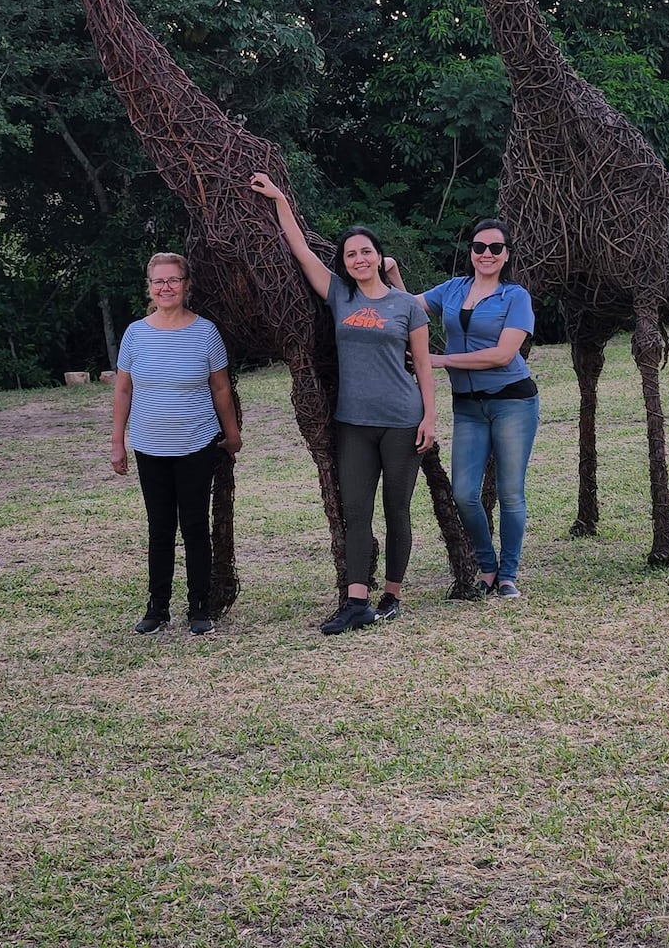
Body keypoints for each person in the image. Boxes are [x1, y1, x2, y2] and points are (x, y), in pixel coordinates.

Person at [250, 172, 435, 635]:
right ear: (346, 262)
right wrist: (278, 199)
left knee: (397, 509)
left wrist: (430, 416)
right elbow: (301, 250)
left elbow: (425, 364)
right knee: (357, 512)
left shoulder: (407, 305)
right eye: (351, 253)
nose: (359, 258)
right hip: (353, 423)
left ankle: (391, 594)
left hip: (401, 419)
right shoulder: (338, 294)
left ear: (378, 256)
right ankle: (357, 601)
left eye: (365, 251)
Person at [388, 219, 538, 600]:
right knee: (465, 494)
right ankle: (486, 566)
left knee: (510, 493)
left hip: (512, 402)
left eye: (495, 248)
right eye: (479, 247)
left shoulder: (515, 297)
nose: (486, 254)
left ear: (506, 256)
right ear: (471, 251)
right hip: (468, 407)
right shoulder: (453, 289)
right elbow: (410, 310)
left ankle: (508, 574)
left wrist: (440, 360)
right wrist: (391, 271)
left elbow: (504, 355)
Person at [111, 252, 242, 636]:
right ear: (149, 288)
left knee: (195, 527)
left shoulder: (205, 333)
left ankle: (200, 607)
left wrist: (231, 434)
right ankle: (158, 607)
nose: (165, 287)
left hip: (196, 443)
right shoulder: (136, 333)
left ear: (186, 285)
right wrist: (117, 441)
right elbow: (123, 389)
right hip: (149, 445)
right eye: (158, 282)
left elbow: (220, 388)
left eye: (173, 280)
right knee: (160, 527)